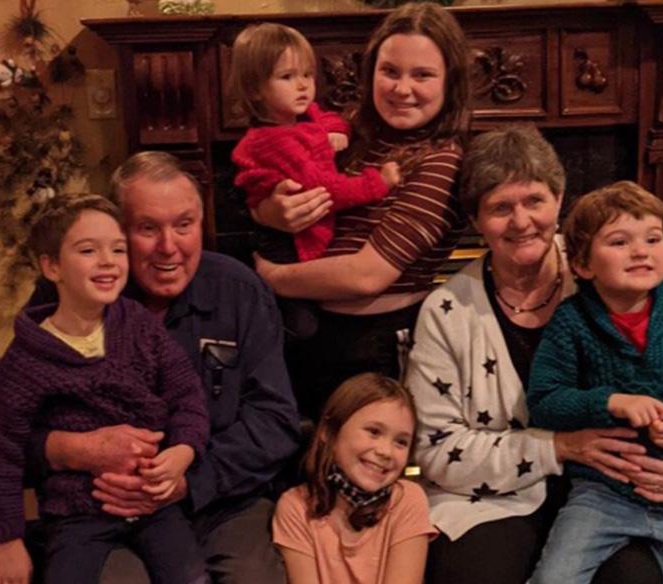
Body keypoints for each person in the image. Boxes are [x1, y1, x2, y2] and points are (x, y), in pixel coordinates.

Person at [405, 125, 663, 584]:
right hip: (494, 495)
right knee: (476, 575)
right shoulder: (448, 312)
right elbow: (437, 449)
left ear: (559, 200)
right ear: (476, 220)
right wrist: (557, 448)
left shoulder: (615, 263)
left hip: (626, 487)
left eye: (534, 201)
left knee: (636, 579)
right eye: (501, 208)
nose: (521, 221)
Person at [26, 152, 301, 583]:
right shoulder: (67, 292)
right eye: (148, 228)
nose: (169, 247)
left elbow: (275, 420)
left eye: (184, 225)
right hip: (98, 507)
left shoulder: (239, 291)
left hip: (222, 500)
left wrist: (188, 481)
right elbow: (14, 425)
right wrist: (75, 450)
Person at [251, 2, 471, 419]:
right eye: (390, 71)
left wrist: (271, 277)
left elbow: (367, 275)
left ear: (450, 82)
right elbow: (265, 172)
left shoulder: (442, 161)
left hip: (374, 347)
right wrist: (269, 211)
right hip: (308, 330)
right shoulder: (344, 129)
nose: (402, 89)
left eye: (422, 75)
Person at [0, 195, 208, 584]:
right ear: (52, 267)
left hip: (155, 504)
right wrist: (8, 540)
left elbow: (187, 397)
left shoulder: (139, 326)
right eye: (88, 250)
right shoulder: (26, 361)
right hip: (78, 515)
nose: (108, 261)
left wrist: (183, 452)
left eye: (117, 250)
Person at [527, 180, 663, 583]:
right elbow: (545, 399)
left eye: (652, 238)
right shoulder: (571, 322)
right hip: (603, 495)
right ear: (583, 265)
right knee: (554, 577)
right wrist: (609, 402)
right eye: (620, 241)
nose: (641, 251)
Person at [228, 22, 401, 264]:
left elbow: (330, 118)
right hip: (290, 246)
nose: (303, 85)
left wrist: (335, 130)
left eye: (307, 74)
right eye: (287, 76)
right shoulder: (272, 142)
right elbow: (323, 190)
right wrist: (377, 183)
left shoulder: (303, 115)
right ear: (255, 89)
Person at [272, 373, 436, 584]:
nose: (386, 451)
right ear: (329, 432)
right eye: (374, 432)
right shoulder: (295, 507)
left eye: (401, 442)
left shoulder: (407, 499)